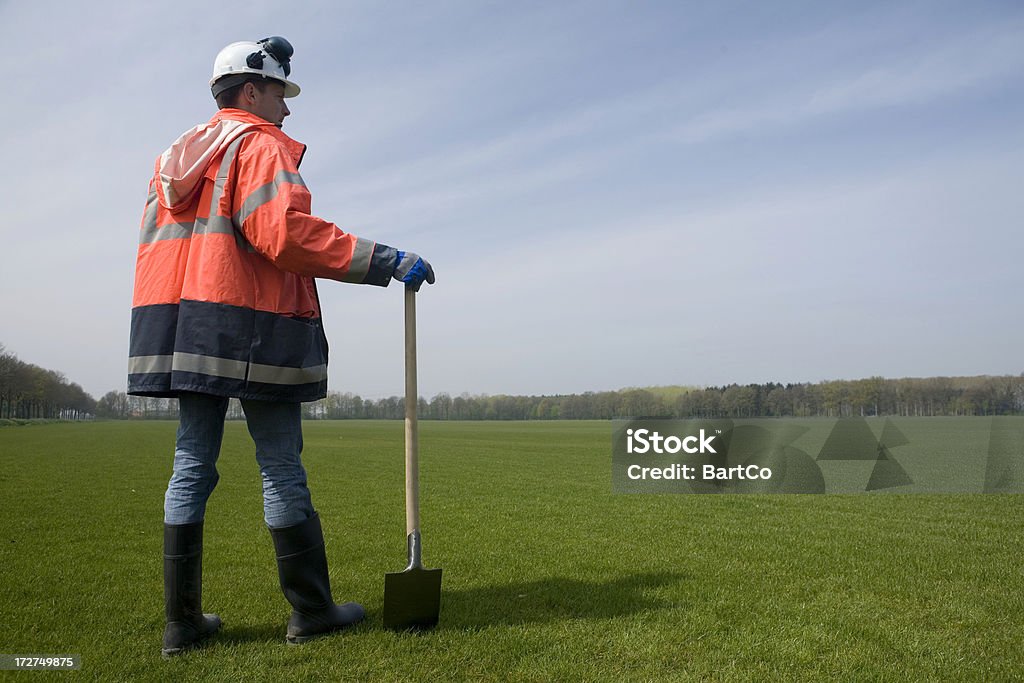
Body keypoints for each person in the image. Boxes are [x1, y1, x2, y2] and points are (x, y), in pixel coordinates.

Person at [127, 37, 435, 657]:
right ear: (249, 92)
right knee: (281, 466)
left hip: (182, 326)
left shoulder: (176, 156)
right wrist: (382, 259)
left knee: (191, 465)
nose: (287, 110)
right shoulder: (258, 144)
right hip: (251, 324)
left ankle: (180, 626)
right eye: (278, 93)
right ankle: (311, 611)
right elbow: (283, 232)